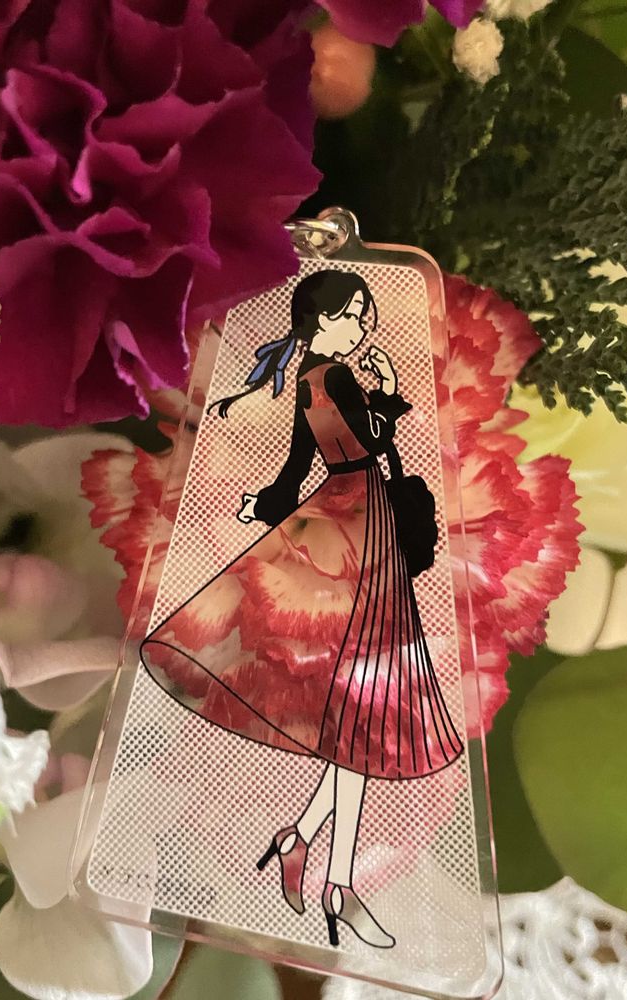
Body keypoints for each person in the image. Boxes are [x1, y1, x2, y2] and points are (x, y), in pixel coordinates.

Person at [140, 269, 463, 949]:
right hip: (361, 528)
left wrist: (262, 508)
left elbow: (293, 466)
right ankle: (335, 880)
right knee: (359, 723)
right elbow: (372, 442)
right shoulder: (335, 378)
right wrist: (390, 392)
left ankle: (304, 844)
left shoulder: (308, 378)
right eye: (356, 315)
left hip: (355, 521)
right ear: (321, 321)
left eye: (369, 315)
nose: (365, 326)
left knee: (352, 722)